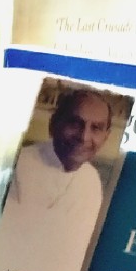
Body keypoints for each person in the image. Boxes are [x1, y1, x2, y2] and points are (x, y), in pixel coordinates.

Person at [13, 87, 112, 232]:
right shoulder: (19, 166)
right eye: (75, 123)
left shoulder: (92, 179)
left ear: (105, 137)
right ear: (53, 124)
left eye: (96, 128)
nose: (84, 137)